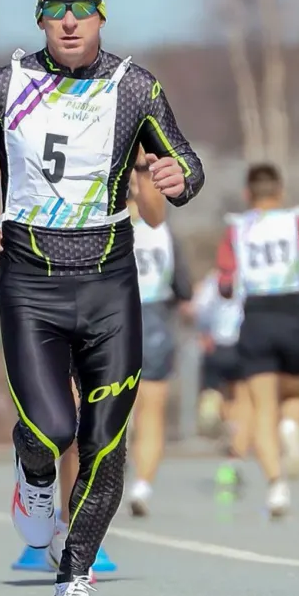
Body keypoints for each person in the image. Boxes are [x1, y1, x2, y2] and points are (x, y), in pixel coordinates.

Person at [0, 0, 203, 596]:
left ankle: (73, 579)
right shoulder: (7, 85)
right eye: (57, 12)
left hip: (110, 284)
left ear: (101, 15)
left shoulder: (134, 87)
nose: (71, 21)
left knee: (105, 439)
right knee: (53, 429)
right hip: (31, 282)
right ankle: (32, 470)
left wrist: (177, 176)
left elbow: (189, 166)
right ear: (41, 20)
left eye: (82, 10)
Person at [214, 164, 299, 519]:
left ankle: (276, 487)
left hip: (257, 317)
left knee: (262, 409)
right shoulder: (296, 222)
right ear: (280, 192)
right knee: (293, 393)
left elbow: (226, 285)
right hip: (294, 315)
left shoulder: (237, 229)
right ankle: (291, 427)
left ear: (248, 195)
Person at [124, 157, 189, 517]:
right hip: (156, 320)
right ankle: (143, 485)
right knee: (152, 412)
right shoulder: (164, 231)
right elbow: (184, 286)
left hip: (116, 316)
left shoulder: (109, 223)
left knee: (110, 406)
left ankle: (106, 474)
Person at [192, 267, 251, 495]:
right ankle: (233, 459)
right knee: (243, 401)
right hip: (242, 345)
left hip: (216, 346)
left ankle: (215, 407)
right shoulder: (250, 276)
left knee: (216, 393)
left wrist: (203, 332)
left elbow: (198, 310)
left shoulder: (212, 280)